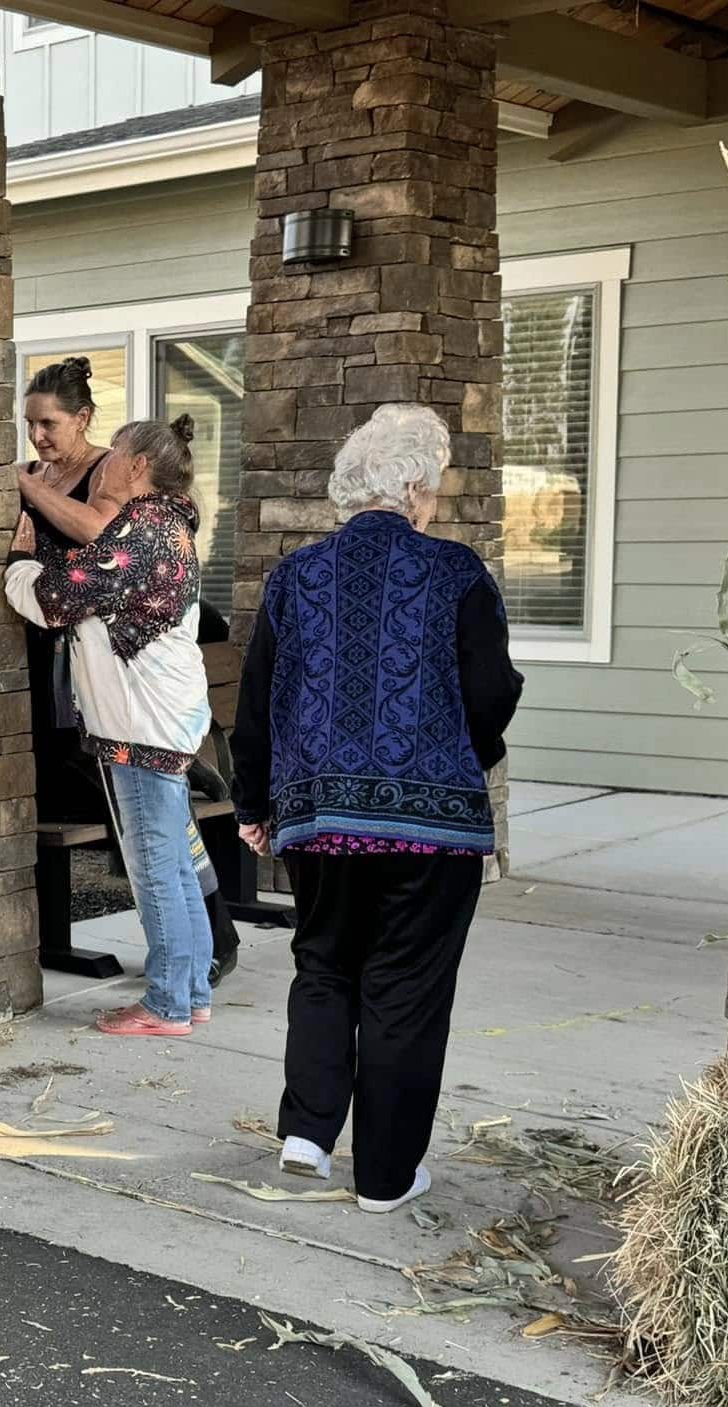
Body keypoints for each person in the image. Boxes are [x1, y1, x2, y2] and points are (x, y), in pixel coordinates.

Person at [229, 403, 524, 1214]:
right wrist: (472, 753)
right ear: (417, 487)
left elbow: (257, 706)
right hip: (429, 834)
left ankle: (308, 1133)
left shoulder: (294, 577)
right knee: (405, 987)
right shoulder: (457, 572)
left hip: (320, 821)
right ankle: (387, 1178)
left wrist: (253, 803)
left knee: (324, 962)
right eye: (436, 487)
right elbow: (491, 695)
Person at [6, 417, 216, 1038]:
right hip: (164, 719)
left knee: (154, 863)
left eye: (114, 455)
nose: (103, 465)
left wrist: (19, 562)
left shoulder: (146, 533)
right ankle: (191, 989)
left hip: (144, 725)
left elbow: (54, 600)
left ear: (137, 466)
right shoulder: (162, 526)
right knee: (174, 860)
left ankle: (166, 1004)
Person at [13, 357, 113, 830]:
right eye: (30, 423)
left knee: (84, 769)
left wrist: (28, 487)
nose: (38, 435)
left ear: (82, 418)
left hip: (86, 645)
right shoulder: (32, 471)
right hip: (33, 637)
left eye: (49, 423)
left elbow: (98, 529)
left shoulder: (108, 469)